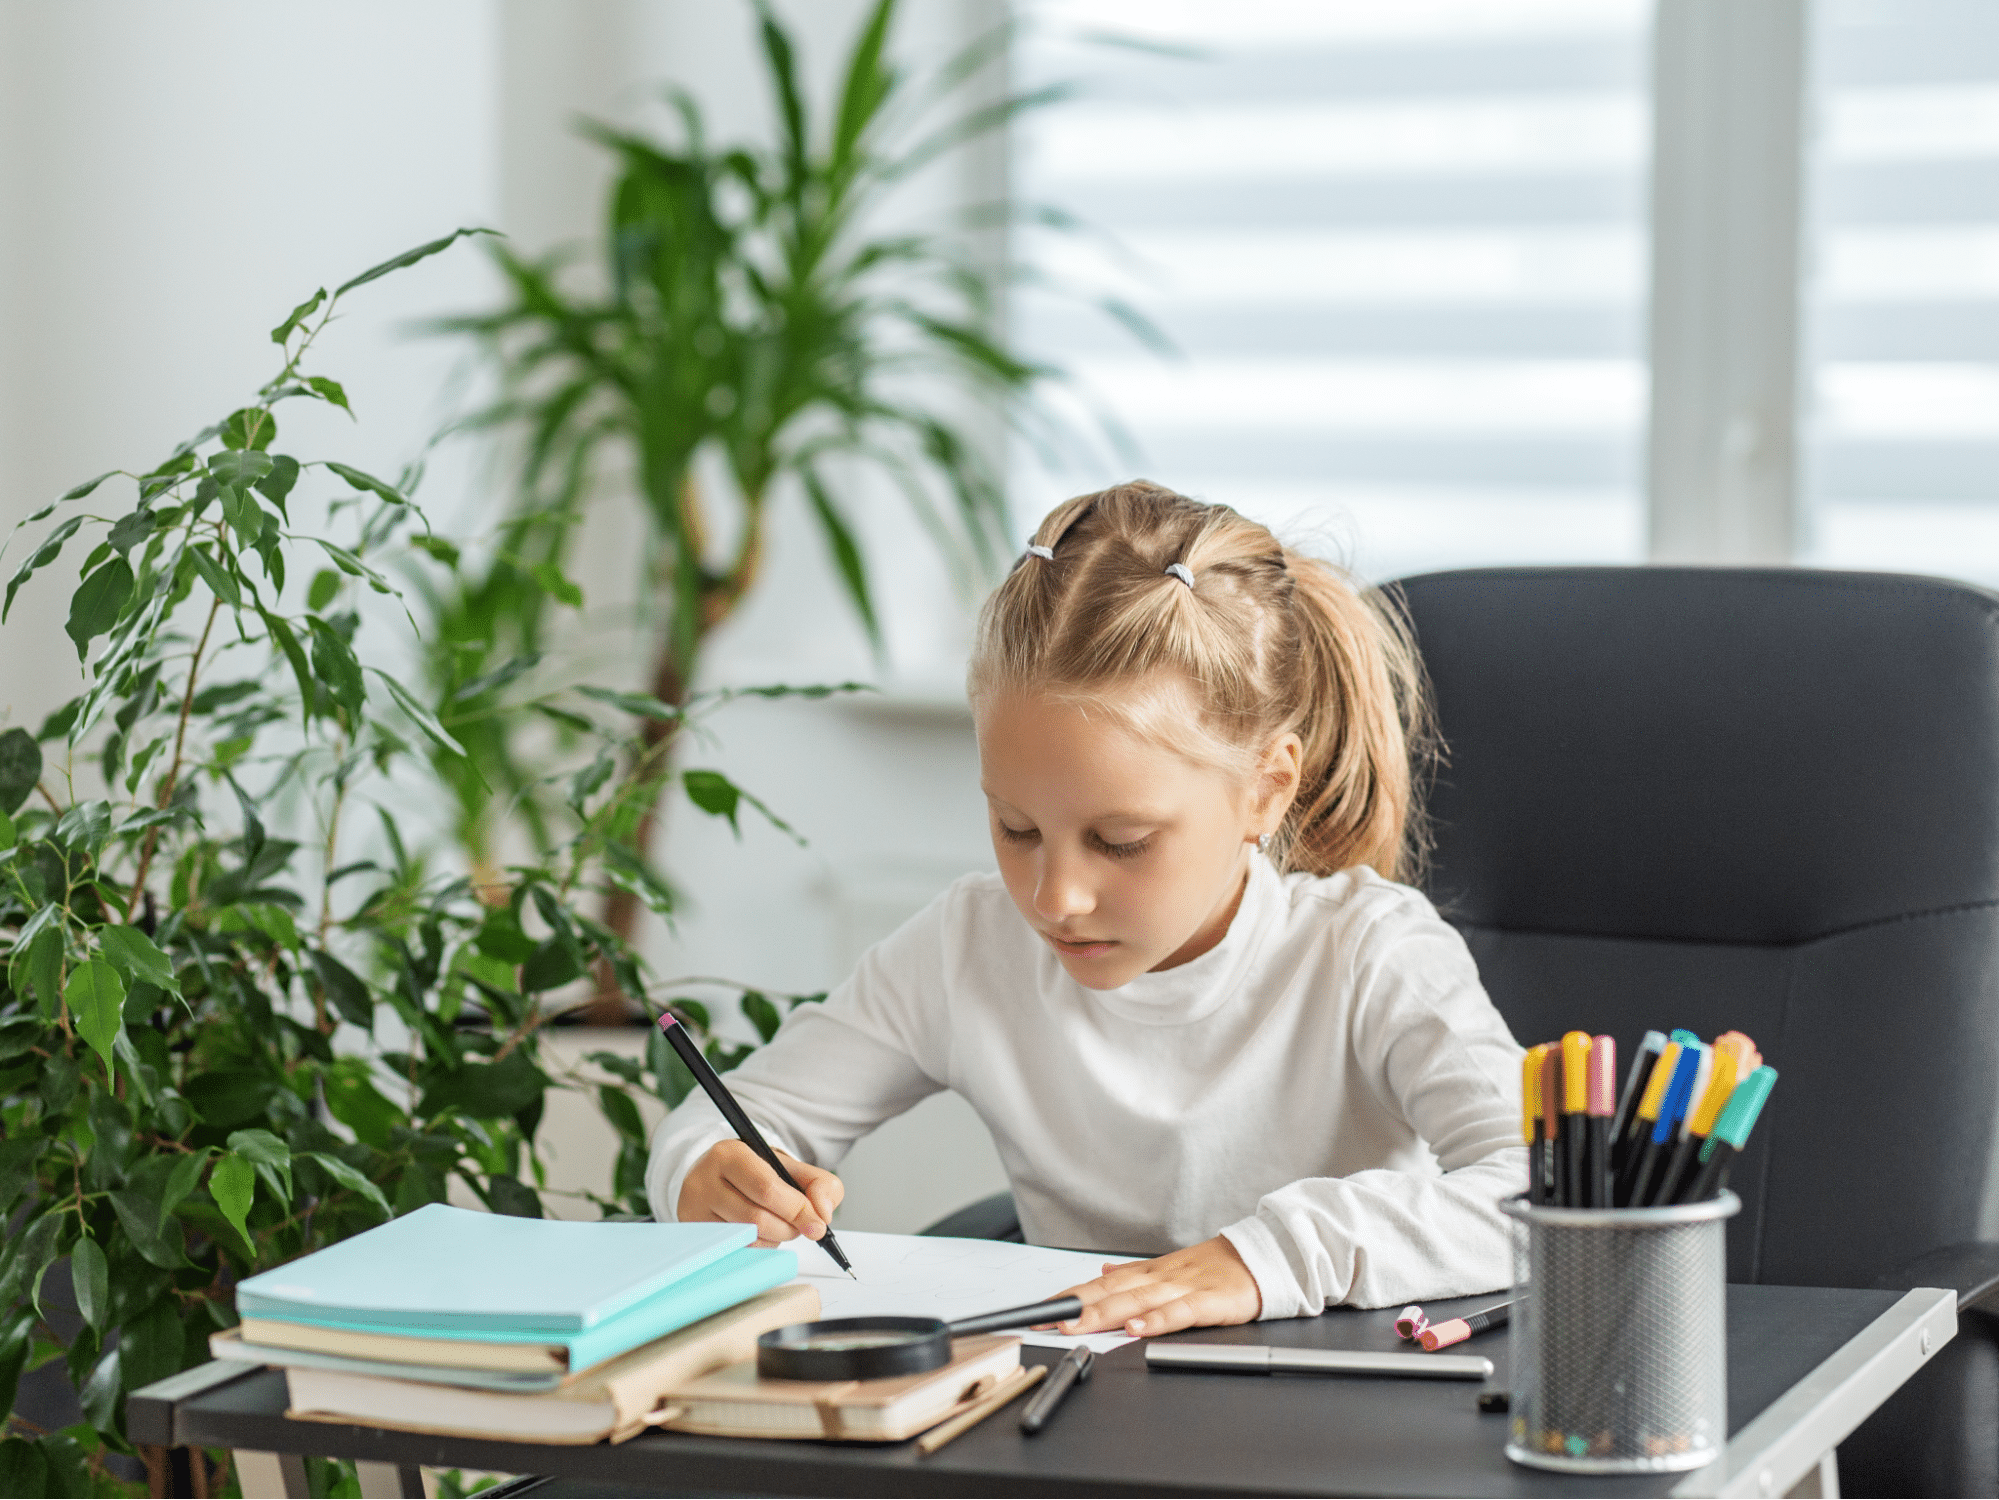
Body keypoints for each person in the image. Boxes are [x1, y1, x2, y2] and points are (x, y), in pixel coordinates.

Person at [646, 480, 1526, 1337]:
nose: (1053, 898)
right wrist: (709, 1173)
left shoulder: (1370, 953)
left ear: (1265, 791)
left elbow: (1542, 1192)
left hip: (1325, 1412)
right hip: (1073, 1417)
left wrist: (1271, 1258)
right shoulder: (969, 947)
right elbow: (740, 1116)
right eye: (1015, 827)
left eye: (1121, 841)